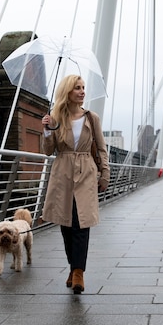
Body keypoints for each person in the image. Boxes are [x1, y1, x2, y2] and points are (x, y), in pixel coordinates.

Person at [41, 75, 110, 294]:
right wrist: (47, 130)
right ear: (67, 92)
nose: (82, 92)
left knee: (81, 223)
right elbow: (48, 150)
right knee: (66, 224)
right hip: (63, 173)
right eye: (77, 88)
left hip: (86, 173)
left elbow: (101, 148)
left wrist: (105, 174)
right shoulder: (56, 117)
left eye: (83, 88)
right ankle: (73, 267)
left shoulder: (92, 118)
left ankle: (79, 272)